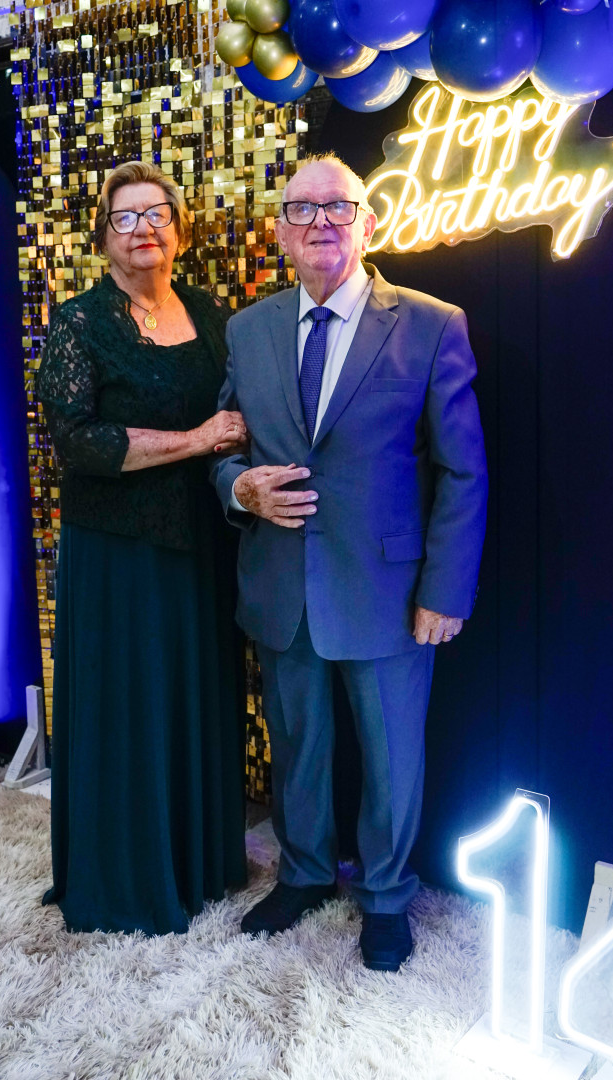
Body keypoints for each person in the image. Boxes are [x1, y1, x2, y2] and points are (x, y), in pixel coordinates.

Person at [210, 153, 488, 971]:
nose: (321, 221)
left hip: (390, 591)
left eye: (339, 207)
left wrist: (445, 590)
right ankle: (302, 873)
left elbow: (463, 471)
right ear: (280, 232)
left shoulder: (433, 324)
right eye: (303, 209)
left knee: (392, 757)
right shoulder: (248, 330)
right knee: (296, 744)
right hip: (279, 582)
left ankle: (388, 896)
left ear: (368, 224)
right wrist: (238, 489)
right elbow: (226, 443)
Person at [37, 161, 249, 935]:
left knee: (192, 697)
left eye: (156, 213)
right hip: (117, 552)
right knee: (129, 710)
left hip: (202, 541)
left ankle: (198, 863)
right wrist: (196, 439)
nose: (143, 229)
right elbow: (78, 443)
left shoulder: (214, 315)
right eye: (124, 218)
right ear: (104, 238)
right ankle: (127, 880)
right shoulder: (80, 323)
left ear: (179, 228)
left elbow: (243, 414)